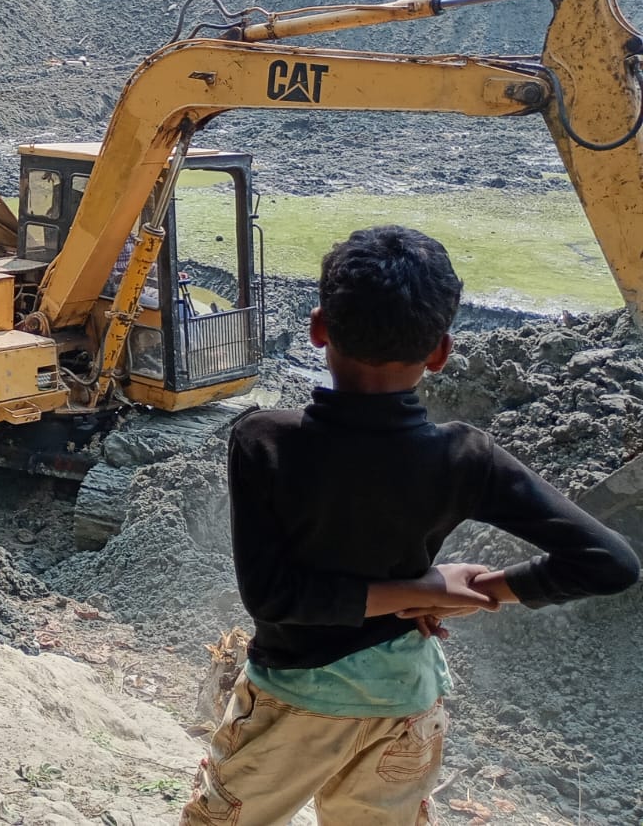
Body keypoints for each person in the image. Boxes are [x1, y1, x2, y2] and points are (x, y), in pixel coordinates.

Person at [182, 224, 639, 826]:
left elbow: (273, 596)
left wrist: (422, 592)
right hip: (405, 706)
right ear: (441, 352)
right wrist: (467, 592)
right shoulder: (464, 458)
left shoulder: (265, 440)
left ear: (319, 328)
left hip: (293, 705)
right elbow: (612, 563)